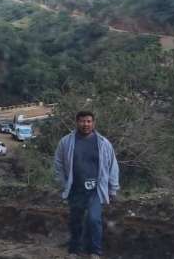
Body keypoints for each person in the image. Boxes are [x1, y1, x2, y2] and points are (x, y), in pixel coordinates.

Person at [54, 111, 120, 259]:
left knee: (94, 219)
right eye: (83, 121)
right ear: (77, 122)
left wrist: (113, 188)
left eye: (89, 121)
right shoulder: (66, 142)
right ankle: (74, 250)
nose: (86, 124)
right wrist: (63, 183)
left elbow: (112, 166)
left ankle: (95, 251)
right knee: (75, 220)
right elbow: (58, 164)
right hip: (75, 188)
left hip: (96, 189)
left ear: (94, 123)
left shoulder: (103, 143)